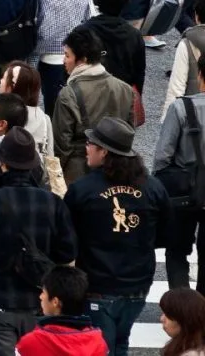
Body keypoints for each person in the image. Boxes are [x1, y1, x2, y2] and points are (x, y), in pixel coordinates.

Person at [0, 127, 77, 356]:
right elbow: (67, 252)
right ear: (32, 164)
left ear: (2, 162)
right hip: (40, 300)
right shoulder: (52, 203)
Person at [64, 116, 169, 355]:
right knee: (121, 341)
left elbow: (66, 237)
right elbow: (165, 234)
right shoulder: (152, 188)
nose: (86, 147)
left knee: (101, 348)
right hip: (138, 284)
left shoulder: (82, 190)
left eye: (91, 143)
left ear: (104, 152)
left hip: (97, 285)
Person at [53, 25, 137, 185]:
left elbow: (61, 144)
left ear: (83, 59)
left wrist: (56, 180)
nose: (64, 61)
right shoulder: (125, 89)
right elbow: (129, 131)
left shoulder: (69, 94)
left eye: (67, 55)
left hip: (77, 172)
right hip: (116, 170)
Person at [159, 49, 205, 293]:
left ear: (200, 75)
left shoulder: (182, 108)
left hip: (184, 191)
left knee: (177, 250)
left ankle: (182, 309)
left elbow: (162, 157)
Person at [13, 265, 107, 356]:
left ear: (55, 302)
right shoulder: (98, 342)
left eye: (43, 292)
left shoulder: (29, 344)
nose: (40, 296)